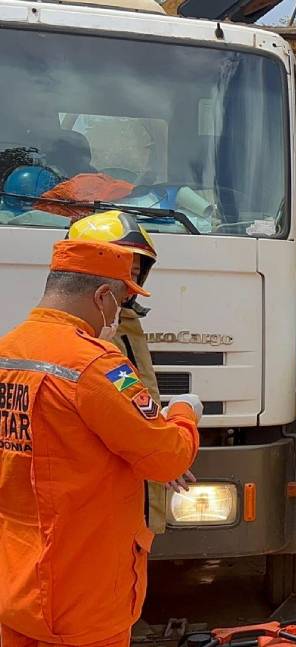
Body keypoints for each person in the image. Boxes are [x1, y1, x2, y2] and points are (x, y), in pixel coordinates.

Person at [0, 239, 200, 646]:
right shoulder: (99, 366)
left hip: (17, 586)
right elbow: (167, 457)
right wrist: (183, 413)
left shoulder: (8, 352)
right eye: (123, 301)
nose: (120, 314)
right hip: (83, 594)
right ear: (103, 296)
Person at [67, 211, 194, 532]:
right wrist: (182, 414)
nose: (131, 287)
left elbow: (136, 403)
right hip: (98, 508)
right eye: (123, 273)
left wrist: (156, 441)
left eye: (136, 273)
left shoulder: (122, 324)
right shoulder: (92, 352)